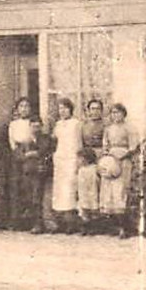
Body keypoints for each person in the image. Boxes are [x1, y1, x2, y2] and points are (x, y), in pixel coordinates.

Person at [99, 103, 135, 237]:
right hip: (111, 162)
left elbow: (133, 147)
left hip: (124, 161)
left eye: (118, 112)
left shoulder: (129, 128)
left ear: (123, 114)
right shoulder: (108, 129)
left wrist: (122, 155)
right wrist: (108, 156)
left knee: (121, 193)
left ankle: (124, 228)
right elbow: (105, 145)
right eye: (113, 113)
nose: (116, 115)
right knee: (109, 193)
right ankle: (113, 226)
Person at [48, 98, 83, 232]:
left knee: (70, 189)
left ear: (71, 109)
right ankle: (60, 222)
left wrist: (78, 159)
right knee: (59, 190)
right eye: (60, 108)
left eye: (65, 108)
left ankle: (71, 223)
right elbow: (54, 140)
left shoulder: (76, 124)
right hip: (60, 159)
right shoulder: (57, 124)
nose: (62, 111)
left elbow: (78, 142)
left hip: (71, 158)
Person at [14, 117, 50, 233]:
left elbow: (45, 151)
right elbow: (19, 156)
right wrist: (29, 154)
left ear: (42, 127)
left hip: (39, 172)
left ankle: (39, 224)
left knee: (37, 198)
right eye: (33, 126)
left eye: (38, 126)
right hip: (27, 172)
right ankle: (30, 223)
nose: (36, 129)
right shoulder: (25, 141)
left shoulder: (45, 139)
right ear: (29, 127)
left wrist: (34, 153)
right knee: (28, 197)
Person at [76, 99, 107, 231]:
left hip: (99, 155)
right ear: (88, 111)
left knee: (97, 188)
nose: (95, 111)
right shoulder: (83, 126)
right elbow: (80, 142)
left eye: (97, 109)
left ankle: (98, 222)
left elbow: (106, 142)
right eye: (92, 109)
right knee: (84, 188)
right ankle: (85, 220)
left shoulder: (106, 125)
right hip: (86, 157)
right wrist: (82, 158)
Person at [5, 97, 35, 231]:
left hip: (30, 153)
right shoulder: (13, 124)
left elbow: (35, 139)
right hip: (17, 155)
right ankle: (15, 220)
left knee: (28, 186)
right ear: (17, 109)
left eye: (27, 106)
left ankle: (29, 221)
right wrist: (18, 153)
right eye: (21, 106)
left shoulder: (33, 123)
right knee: (15, 187)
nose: (24, 109)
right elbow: (12, 142)